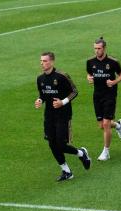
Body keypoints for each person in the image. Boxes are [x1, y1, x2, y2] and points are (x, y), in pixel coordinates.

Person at [35, 51, 91, 181]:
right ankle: (66, 171)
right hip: (49, 115)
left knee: (61, 144)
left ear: (52, 62)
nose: (42, 64)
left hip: (63, 115)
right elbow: (42, 95)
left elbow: (74, 91)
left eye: (45, 61)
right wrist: (39, 100)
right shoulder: (40, 79)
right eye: (41, 61)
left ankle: (81, 153)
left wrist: (62, 102)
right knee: (51, 143)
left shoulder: (61, 76)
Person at [86, 37, 121, 161]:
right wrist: (89, 78)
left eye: (99, 48)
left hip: (110, 95)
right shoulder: (90, 62)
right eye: (95, 48)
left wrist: (114, 82)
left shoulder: (113, 62)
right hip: (97, 95)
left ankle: (106, 151)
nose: (96, 51)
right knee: (101, 125)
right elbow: (89, 74)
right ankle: (118, 125)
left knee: (106, 123)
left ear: (104, 48)